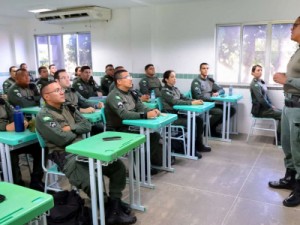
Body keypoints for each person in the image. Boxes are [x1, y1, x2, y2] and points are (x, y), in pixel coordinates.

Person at [36, 81, 137, 224]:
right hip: (65, 155)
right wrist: (75, 130)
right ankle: (108, 208)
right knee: (92, 179)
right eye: (57, 90)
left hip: (84, 147)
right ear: (46, 96)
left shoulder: (68, 107)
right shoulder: (44, 116)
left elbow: (87, 125)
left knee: (118, 167)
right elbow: (62, 139)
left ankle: (114, 205)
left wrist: (70, 128)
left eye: (61, 89)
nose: (62, 92)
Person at [105, 69, 163, 168]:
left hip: (131, 126)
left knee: (155, 136)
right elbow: (124, 114)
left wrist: (152, 110)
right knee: (143, 138)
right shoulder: (114, 96)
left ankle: (149, 164)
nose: (130, 79)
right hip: (118, 130)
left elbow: (141, 107)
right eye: (127, 77)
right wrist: (145, 115)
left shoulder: (132, 93)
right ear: (119, 81)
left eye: (130, 77)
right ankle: (140, 171)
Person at [270, 17, 300, 208]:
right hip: (289, 107)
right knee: (287, 146)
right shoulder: (297, 51)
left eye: (295, 25)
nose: (291, 28)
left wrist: (286, 80)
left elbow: (292, 80)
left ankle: (299, 189)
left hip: (298, 108)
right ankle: (289, 178)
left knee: (298, 151)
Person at [161, 70, 211, 157]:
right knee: (192, 123)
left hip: (178, 114)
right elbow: (175, 102)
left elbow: (184, 98)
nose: (174, 79)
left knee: (199, 120)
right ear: (166, 79)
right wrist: (192, 103)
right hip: (171, 116)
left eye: (175, 77)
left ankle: (199, 145)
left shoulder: (175, 89)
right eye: (172, 77)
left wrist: (194, 100)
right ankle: (191, 150)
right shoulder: (164, 91)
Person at [0, 97, 44, 190]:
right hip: (3, 143)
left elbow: (14, 113)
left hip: (11, 137)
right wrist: (5, 126)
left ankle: (36, 180)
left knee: (40, 146)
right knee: (8, 153)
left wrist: (23, 121)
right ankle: (17, 185)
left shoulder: (3, 102)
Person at [191, 63, 236, 137]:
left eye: (207, 68)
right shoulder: (196, 81)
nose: (206, 70)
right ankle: (206, 129)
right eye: (204, 68)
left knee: (231, 110)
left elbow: (222, 90)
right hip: (202, 104)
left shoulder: (210, 80)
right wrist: (211, 98)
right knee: (219, 112)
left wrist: (217, 93)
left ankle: (211, 127)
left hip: (211, 104)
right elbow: (198, 97)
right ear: (200, 70)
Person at [250, 65, 282, 144]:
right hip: (259, 110)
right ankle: (278, 139)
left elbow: (266, 96)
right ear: (252, 73)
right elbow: (261, 99)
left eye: (261, 70)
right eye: (258, 70)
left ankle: (279, 138)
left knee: (283, 112)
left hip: (265, 108)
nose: (260, 72)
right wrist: (270, 107)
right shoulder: (254, 84)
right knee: (283, 115)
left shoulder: (261, 82)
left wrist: (271, 105)